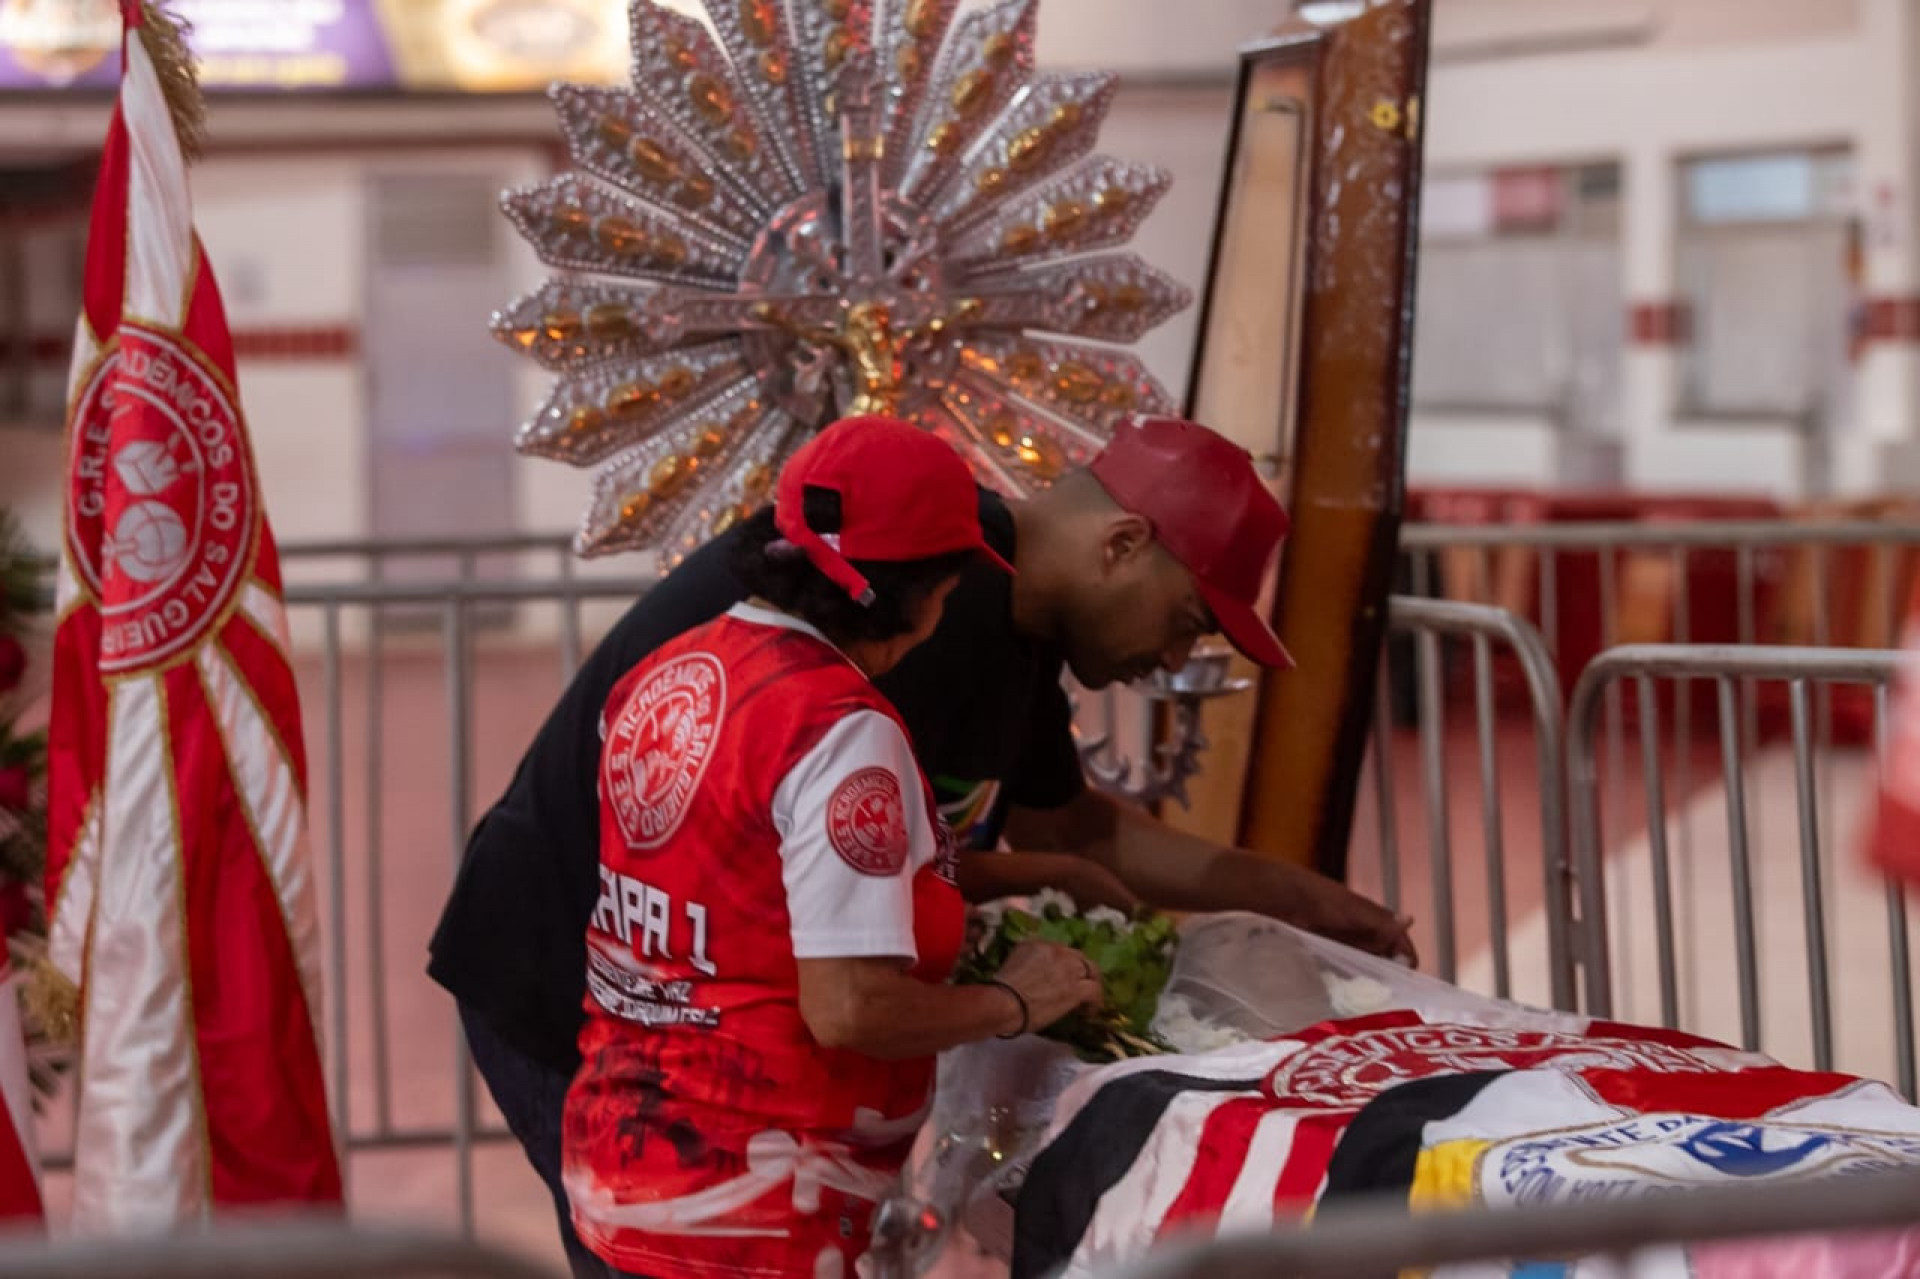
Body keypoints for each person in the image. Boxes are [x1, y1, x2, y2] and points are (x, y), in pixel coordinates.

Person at [428, 413, 1413, 1272]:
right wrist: (1010, 999)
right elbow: (844, 987)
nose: (1169, 659)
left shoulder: (995, 616)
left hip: (680, 1027)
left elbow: (1072, 830)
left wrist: (1308, 898)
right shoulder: (917, 605)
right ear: (1122, 543)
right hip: (587, 980)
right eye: (1188, 621)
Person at [563, 416, 1100, 1279]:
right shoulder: (841, 733)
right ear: (923, 593)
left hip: (623, 1170)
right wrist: (1016, 1000)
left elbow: (741, 892)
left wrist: (1044, 874)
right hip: (757, 1215)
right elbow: (852, 1008)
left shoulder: (667, 674)